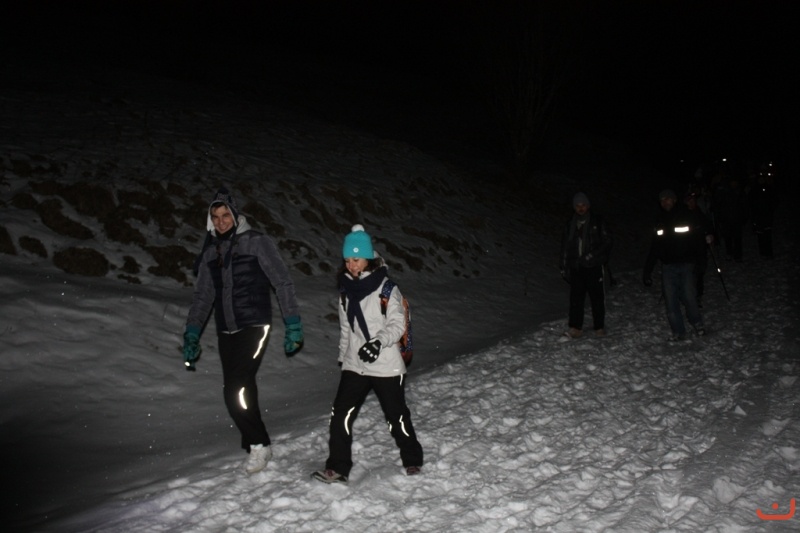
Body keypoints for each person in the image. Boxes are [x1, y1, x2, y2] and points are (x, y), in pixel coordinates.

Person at [182, 186, 304, 475]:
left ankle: (259, 443)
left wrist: (293, 324)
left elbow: (282, 281)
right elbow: (203, 297)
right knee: (242, 386)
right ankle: (253, 440)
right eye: (215, 217)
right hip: (226, 329)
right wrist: (192, 332)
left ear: (236, 215)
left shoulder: (256, 242)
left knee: (234, 390)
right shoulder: (211, 251)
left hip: (254, 324)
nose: (221, 221)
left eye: (225, 215)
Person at [312, 224, 423, 484]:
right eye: (347, 261)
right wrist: (344, 358)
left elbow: (397, 324)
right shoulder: (346, 290)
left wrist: (377, 342)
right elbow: (346, 329)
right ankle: (337, 467)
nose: (351, 266)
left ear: (368, 258)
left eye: (356, 260)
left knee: (396, 417)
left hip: (386, 365)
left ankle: (412, 459)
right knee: (340, 415)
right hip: (356, 364)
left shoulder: (386, 289)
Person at [643, 189, 709, 341]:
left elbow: (698, 241)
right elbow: (655, 247)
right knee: (671, 300)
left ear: (674, 200)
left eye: (668, 199)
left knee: (689, 296)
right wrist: (648, 270)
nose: (665, 202)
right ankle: (678, 331)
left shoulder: (686, 216)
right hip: (668, 266)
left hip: (686, 264)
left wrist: (700, 263)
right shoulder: (660, 220)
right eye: (662, 200)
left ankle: (697, 323)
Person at [559, 192, 612, 339]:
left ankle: (599, 326)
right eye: (577, 205)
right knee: (576, 299)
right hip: (576, 266)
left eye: (583, 205)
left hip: (593, 265)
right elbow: (565, 246)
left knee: (597, 298)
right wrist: (563, 265)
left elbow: (607, 241)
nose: (580, 208)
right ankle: (575, 327)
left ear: (588, 206)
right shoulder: (570, 224)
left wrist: (593, 255)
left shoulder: (597, 221)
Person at [684, 191, 714, 308]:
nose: (691, 203)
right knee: (688, 273)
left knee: (699, 272)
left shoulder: (700, 214)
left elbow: (709, 227)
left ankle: (698, 296)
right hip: (687, 249)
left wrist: (710, 235)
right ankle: (688, 295)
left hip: (700, 248)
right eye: (689, 201)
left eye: (693, 201)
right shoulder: (682, 215)